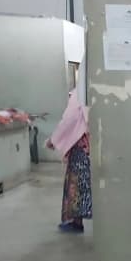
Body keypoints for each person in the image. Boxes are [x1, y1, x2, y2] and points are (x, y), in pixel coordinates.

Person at [47, 88, 92, 233]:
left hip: (81, 147)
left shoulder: (79, 94)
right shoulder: (94, 90)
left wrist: (54, 139)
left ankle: (74, 221)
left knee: (76, 183)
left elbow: (69, 120)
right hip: (94, 145)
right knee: (91, 183)